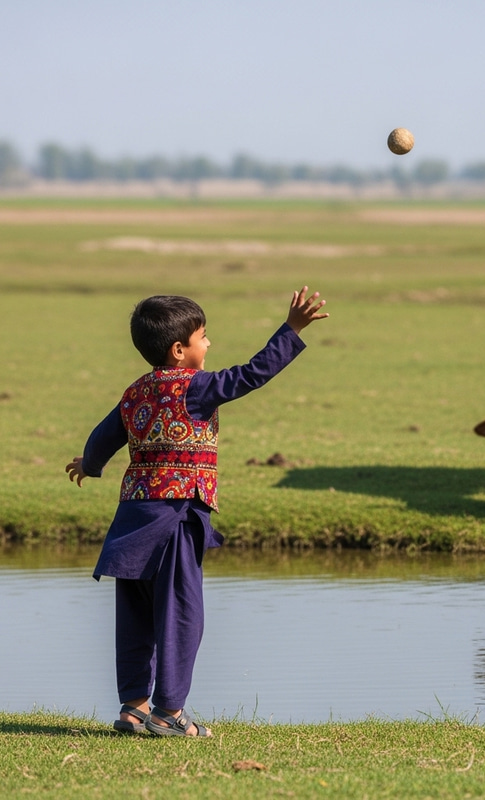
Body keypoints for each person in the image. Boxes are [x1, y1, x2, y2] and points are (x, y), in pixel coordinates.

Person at [65, 287, 328, 737]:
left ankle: (133, 708)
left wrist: (87, 466)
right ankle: (169, 713)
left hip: (131, 519)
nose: (209, 344)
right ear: (179, 350)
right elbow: (252, 374)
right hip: (176, 517)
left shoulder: (135, 392)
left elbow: (102, 437)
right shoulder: (197, 388)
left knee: (135, 616)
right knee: (182, 614)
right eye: (204, 337)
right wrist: (293, 329)